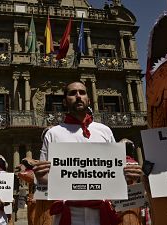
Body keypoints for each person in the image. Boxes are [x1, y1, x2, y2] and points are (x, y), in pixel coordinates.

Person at [33, 81, 143, 225]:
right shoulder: (53, 134)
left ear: (89, 100)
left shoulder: (105, 131)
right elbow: (46, 177)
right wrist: (41, 177)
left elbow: (116, 172)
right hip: (68, 212)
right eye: (72, 93)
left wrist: (129, 173)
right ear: (65, 101)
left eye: (82, 92)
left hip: (102, 210)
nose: (78, 96)